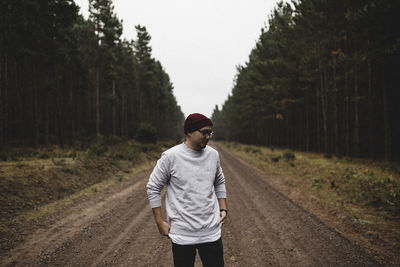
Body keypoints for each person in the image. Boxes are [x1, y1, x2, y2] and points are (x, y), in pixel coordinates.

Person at [146, 113, 227, 267]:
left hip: (211, 232)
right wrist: (159, 222)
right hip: (182, 234)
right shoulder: (170, 157)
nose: (208, 136)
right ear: (189, 132)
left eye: (210, 132)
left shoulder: (213, 155)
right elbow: (153, 187)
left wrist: (223, 207)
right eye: (204, 132)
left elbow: (219, 181)